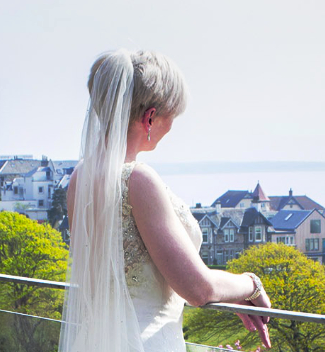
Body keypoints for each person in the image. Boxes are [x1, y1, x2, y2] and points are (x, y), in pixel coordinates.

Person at [59, 49, 272, 352]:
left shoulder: (80, 177)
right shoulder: (138, 180)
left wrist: (231, 295)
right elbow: (199, 289)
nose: (172, 126)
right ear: (149, 118)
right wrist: (251, 284)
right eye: (172, 116)